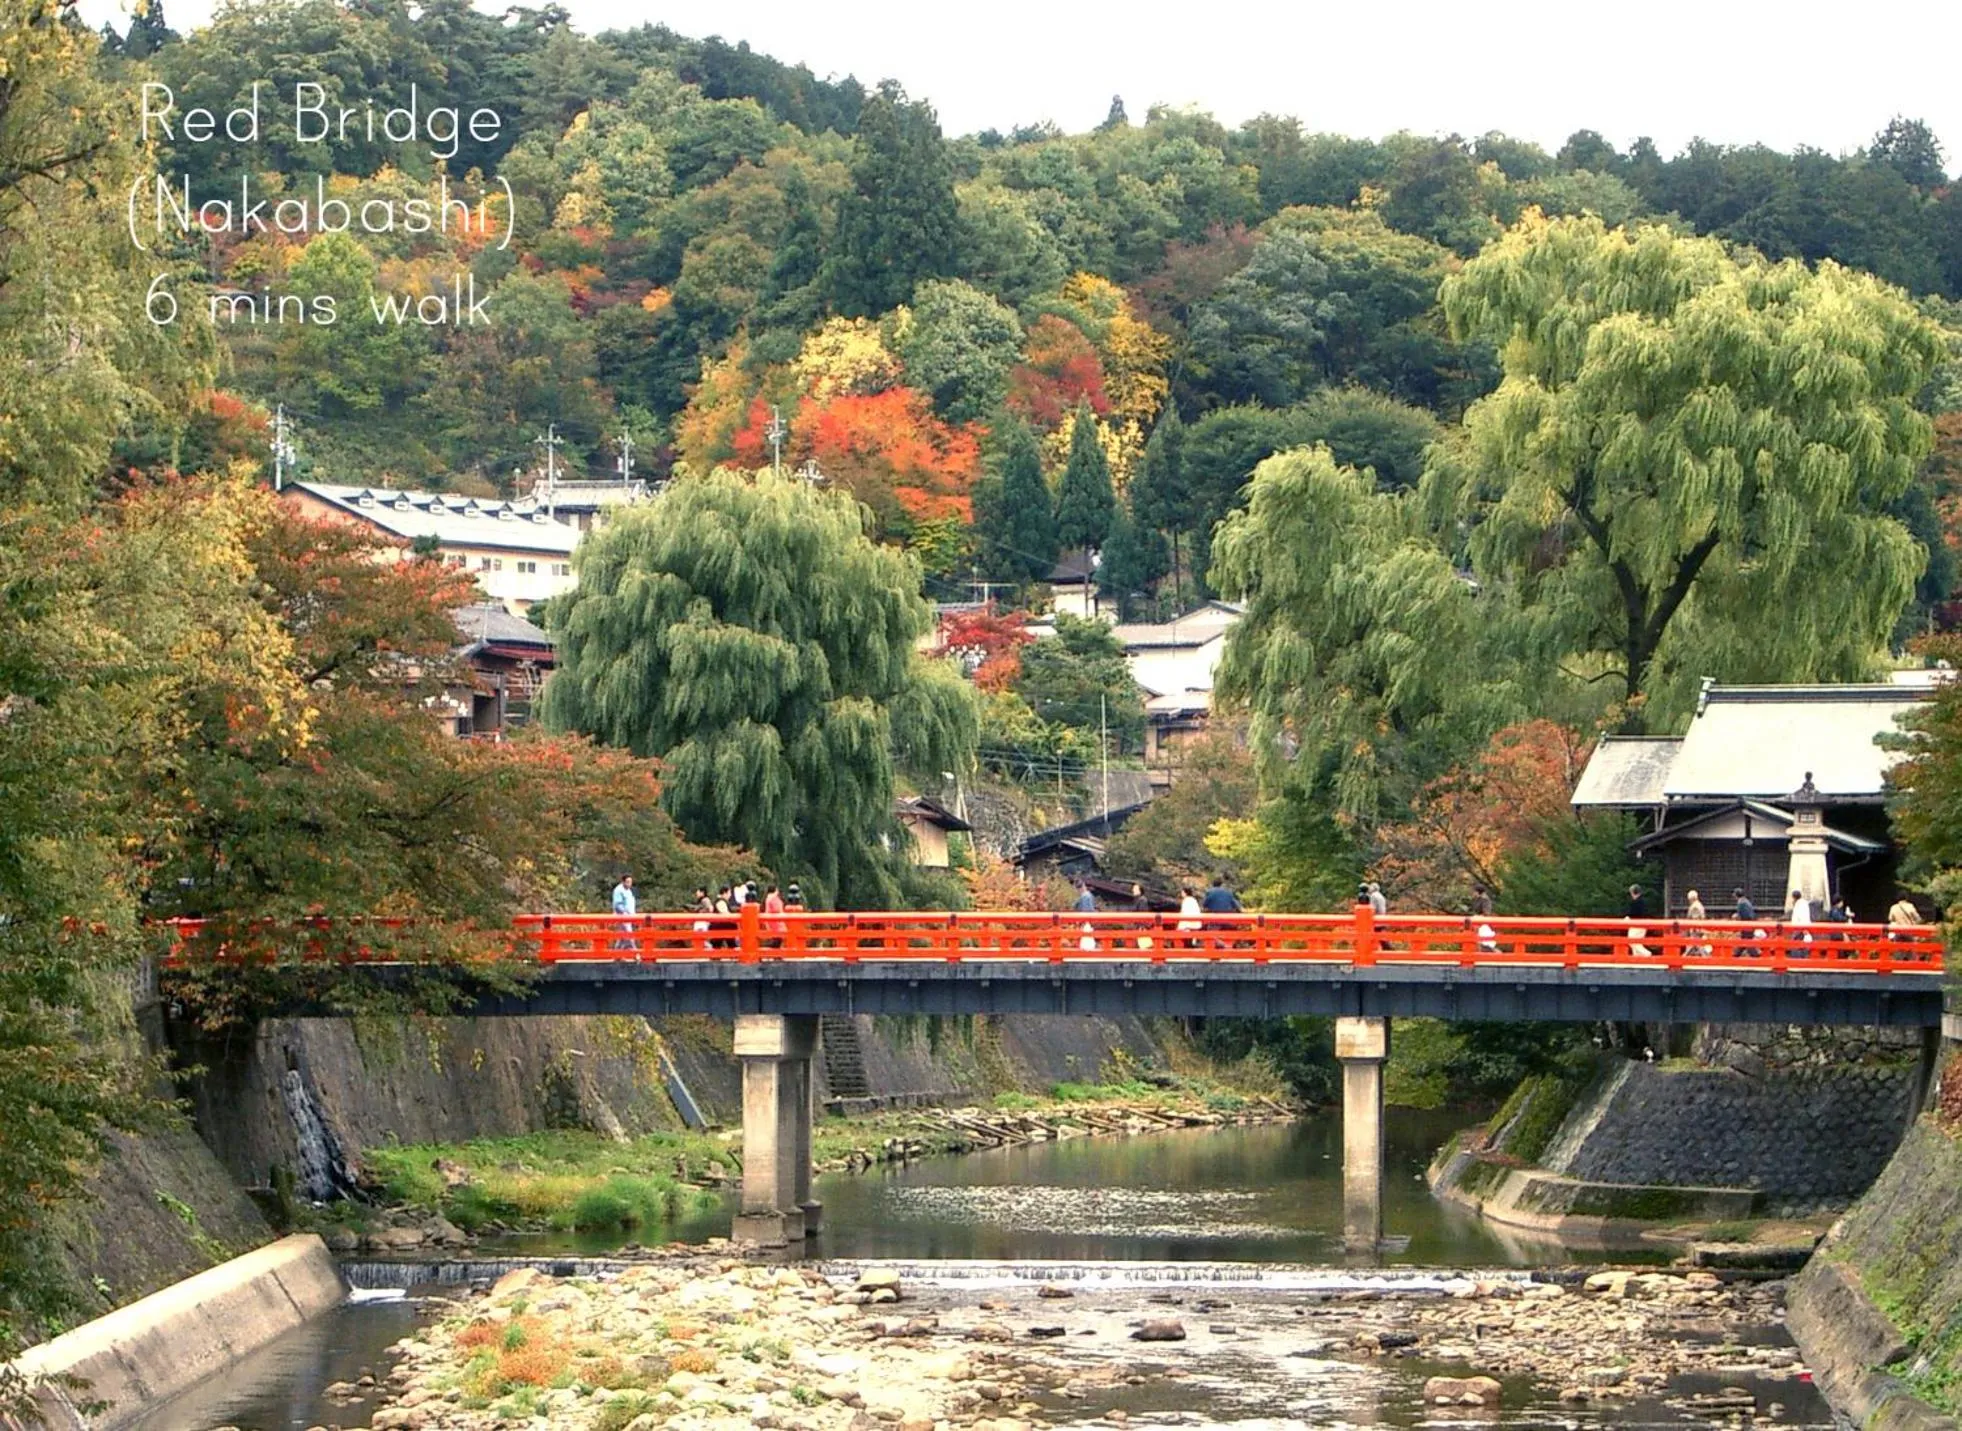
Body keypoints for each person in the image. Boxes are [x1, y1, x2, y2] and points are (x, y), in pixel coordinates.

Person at [1626, 883, 1650, 957]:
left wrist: (1628, 918)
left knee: (1632, 941)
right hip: (1643, 924)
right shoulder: (1644, 901)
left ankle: (1646, 954)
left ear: (1633, 892)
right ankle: (1637, 959)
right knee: (1637, 942)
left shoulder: (1636, 902)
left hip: (1637, 924)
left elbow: (1634, 914)